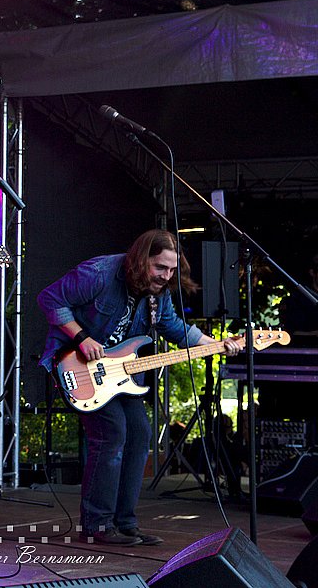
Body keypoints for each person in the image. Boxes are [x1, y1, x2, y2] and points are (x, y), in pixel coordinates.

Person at [37, 229, 243, 546]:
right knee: (112, 433)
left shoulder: (158, 292)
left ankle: (125, 523)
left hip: (120, 374)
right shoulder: (99, 273)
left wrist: (216, 344)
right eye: (160, 267)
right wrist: (82, 337)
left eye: (172, 270)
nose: (166, 276)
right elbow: (49, 298)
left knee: (140, 433)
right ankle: (97, 524)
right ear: (141, 258)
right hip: (77, 365)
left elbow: (172, 325)